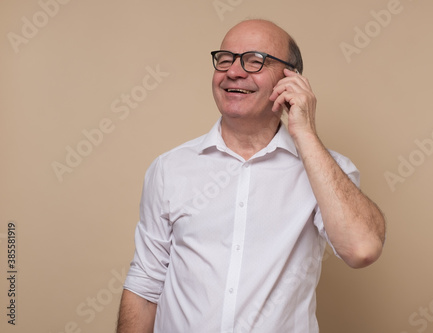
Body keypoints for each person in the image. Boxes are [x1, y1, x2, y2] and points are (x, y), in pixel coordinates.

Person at [116, 19, 385, 333]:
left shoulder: (328, 171)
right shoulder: (169, 168)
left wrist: (305, 133)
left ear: (290, 80)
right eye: (225, 59)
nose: (233, 71)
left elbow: (362, 249)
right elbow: (144, 287)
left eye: (254, 60)